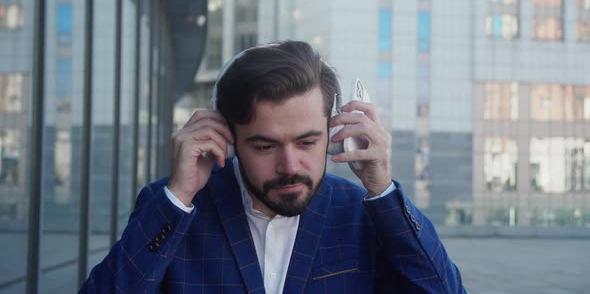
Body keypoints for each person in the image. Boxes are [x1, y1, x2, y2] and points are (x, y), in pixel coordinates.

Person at [80, 41, 465, 293]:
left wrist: (383, 192)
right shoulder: (174, 210)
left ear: (335, 130)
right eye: (264, 145)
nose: (290, 165)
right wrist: (178, 196)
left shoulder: (360, 213)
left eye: (307, 141)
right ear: (227, 137)